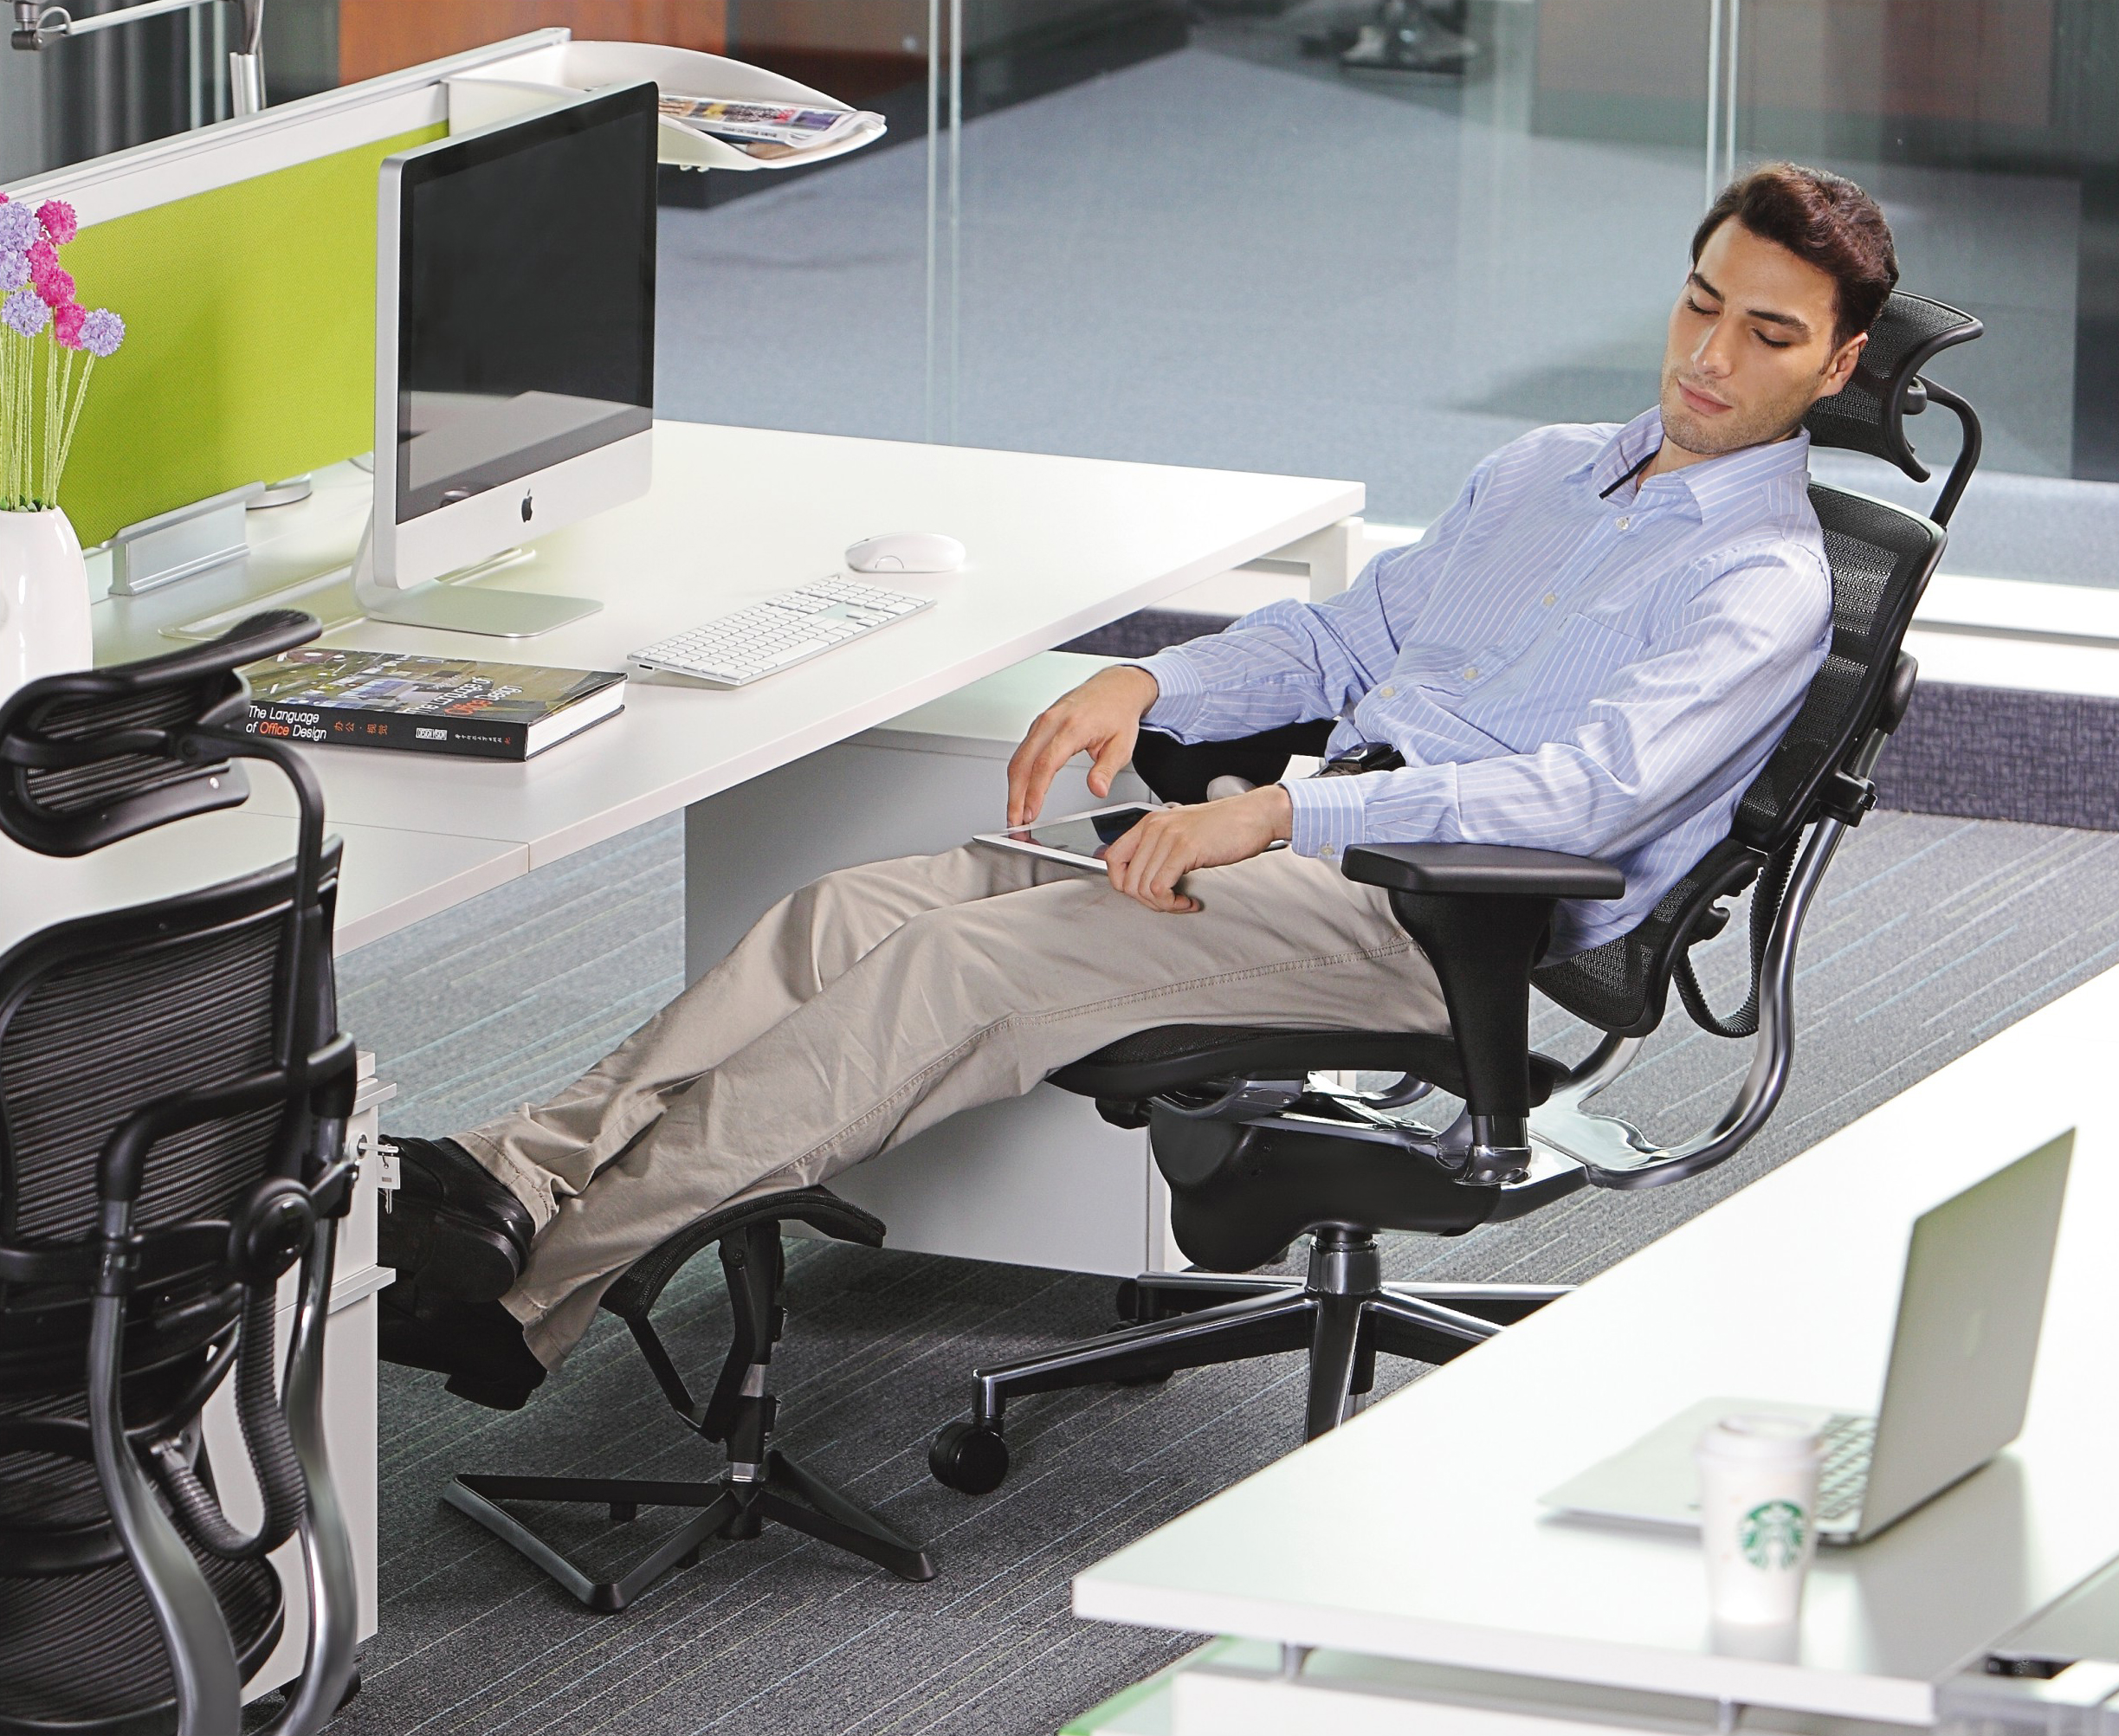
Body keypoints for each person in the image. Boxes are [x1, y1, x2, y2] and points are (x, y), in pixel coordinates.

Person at [378, 163, 1894, 1410]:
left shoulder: (1759, 585)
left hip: (1440, 920)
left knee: (949, 969)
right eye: (1701, 303)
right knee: (840, 916)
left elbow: (1577, 800)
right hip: (1301, 857)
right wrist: (1153, 685)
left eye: (1767, 334)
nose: (1710, 356)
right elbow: (1341, 639)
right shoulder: (1548, 471)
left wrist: (1278, 811)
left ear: (1833, 367)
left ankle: (524, 1290)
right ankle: (509, 1174)